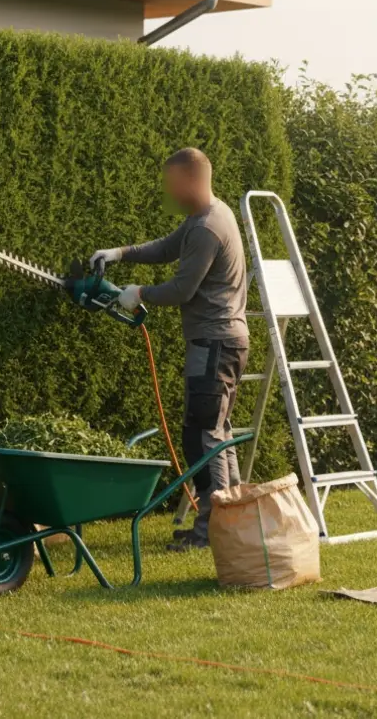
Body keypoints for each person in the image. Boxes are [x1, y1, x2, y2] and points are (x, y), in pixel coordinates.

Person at [90, 148, 249, 552]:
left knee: (203, 436)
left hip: (214, 343)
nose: (169, 190)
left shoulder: (207, 227)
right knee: (217, 432)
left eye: (172, 183)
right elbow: (165, 248)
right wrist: (120, 254)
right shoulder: (206, 217)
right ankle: (227, 521)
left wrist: (137, 293)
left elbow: (182, 288)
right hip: (221, 341)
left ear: (192, 179)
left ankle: (207, 532)